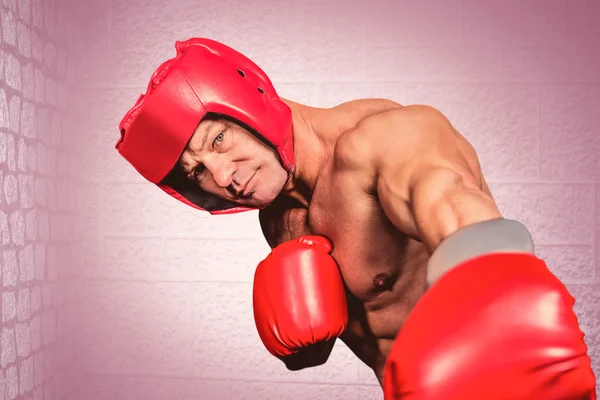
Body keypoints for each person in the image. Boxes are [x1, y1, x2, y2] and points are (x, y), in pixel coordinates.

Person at [116, 38, 597, 399]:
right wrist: (298, 344)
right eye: (197, 172)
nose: (221, 175)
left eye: (218, 140)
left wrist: (503, 301)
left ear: (249, 104)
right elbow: (342, 336)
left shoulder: (382, 140)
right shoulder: (279, 220)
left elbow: (450, 202)